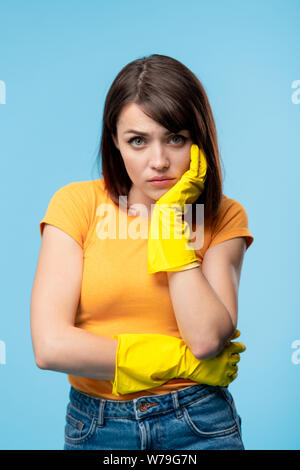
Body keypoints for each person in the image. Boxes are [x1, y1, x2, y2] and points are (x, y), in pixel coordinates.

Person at [30, 54, 254, 450]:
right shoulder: (76, 204)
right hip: (97, 425)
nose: (159, 162)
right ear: (115, 142)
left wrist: (168, 223)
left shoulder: (223, 215)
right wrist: (174, 360)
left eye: (175, 138)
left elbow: (204, 339)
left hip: (199, 420)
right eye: (137, 140)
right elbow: (50, 346)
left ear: (199, 140)